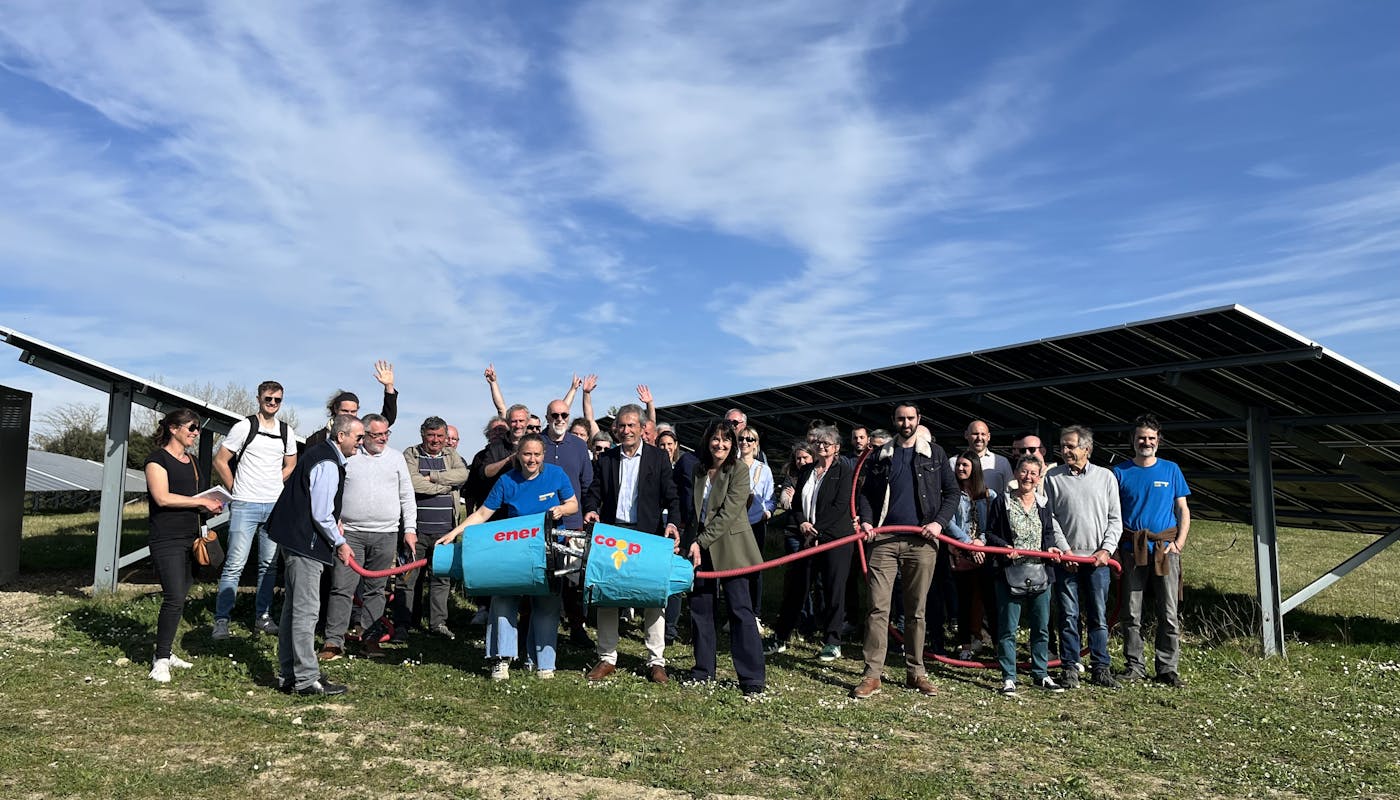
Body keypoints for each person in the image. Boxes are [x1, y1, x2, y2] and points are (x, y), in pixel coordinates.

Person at [438, 434, 578, 680]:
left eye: (536, 454)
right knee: (503, 600)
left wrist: (561, 509)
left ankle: (543, 663)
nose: (531, 459)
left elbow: (573, 504)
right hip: (513, 552)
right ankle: (501, 659)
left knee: (546, 606)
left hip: (548, 551)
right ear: (518, 455)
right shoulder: (506, 481)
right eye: (527, 454)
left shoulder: (556, 475)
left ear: (543, 455)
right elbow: (482, 514)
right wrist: (455, 532)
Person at [851, 404, 959, 699]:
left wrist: (938, 523)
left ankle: (916, 672)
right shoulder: (880, 454)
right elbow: (865, 494)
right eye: (901, 418)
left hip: (921, 542)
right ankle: (872, 675)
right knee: (877, 608)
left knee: (916, 611)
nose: (906, 422)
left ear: (919, 420)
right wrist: (868, 520)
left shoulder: (935, 454)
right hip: (883, 541)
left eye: (911, 418)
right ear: (894, 421)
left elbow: (952, 493)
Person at [582, 404, 682, 682]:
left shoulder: (659, 458)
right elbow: (594, 493)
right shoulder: (606, 459)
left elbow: (672, 497)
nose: (626, 431)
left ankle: (656, 661)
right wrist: (591, 508)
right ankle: (606, 657)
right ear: (615, 429)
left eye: (631, 426)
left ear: (642, 428)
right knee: (608, 596)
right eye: (621, 426)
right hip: (613, 535)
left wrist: (673, 522)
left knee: (653, 597)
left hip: (648, 535)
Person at [269, 414, 362, 696]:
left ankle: (290, 674)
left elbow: (321, 507)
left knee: (293, 609)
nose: (361, 442)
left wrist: (335, 522)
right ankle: (307, 679)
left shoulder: (320, 456)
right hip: (304, 544)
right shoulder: (328, 462)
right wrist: (340, 542)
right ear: (341, 436)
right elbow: (320, 514)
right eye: (358, 437)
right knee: (306, 611)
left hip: (294, 540)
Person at [321, 414, 416, 661]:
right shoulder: (350, 457)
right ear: (364, 435)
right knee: (342, 587)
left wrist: (410, 530)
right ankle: (334, 641)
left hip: (386, 533)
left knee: (376, 590)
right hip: (350, 533)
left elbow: (407, 495)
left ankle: (371, 639)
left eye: (386, 434)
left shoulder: (396, 458)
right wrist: (336, 521)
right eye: (376, 435)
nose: (382, 438)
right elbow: (334, 491)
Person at [211, 380, 296, 639]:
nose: (272, 403)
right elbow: (220, 460)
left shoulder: (285, 430)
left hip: (273, 505)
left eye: (277, 400)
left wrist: (274, 481)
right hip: (245, 504)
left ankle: (263, 617)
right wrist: (236, 488)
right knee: (235, 564)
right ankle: (221, 620)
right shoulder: (244, 426)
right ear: (258, 398)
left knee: (268, 566)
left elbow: (291, 463)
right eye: (268, 398)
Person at [685, 420, 765, 695]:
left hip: (732, 549)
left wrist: (700, 542)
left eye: (726, 440)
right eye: (716, 439)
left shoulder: (739, 470)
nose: (720, 444)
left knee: (740, 611)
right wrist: (689, 542)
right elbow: (694, 512)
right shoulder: (698, 471)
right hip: (700, 551)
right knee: (700, 609)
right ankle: (703, 670)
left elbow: (729, 513)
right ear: (708, 441)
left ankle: (752, 678)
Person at [144, 409, 225, 682]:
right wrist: (200, 502)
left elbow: (197, 496)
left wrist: (211, 507)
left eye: (197, 428)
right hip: (166, 538)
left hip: (192, 537)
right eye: (191, 427)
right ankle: (162, 660)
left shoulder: (192, 461)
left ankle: (164, 651)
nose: (195, 432)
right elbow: (162, 498)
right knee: (174, 596)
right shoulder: (157, 460)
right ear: (173, 428)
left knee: (180, 597)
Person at [1113, 414, 1191, 687]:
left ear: (1159, 440)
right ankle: (1135, 665)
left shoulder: (1171, 469)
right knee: (1131, 612)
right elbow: (1112, 512)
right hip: (1131, 549)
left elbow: (1183, 509)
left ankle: (1167, 668)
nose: (1146, 442)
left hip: (1165, 550)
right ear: (1132, 441)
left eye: (1150, 438)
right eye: (1141, 438)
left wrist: (1178, 544)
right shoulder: (1119, 472)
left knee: (1168, 612)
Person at [1044, 425, 1123, 689]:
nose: (1065, 451)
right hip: (1068, 561)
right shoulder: (1053, 477)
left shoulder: (1105, 477)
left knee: (1098, 615)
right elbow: (1050, 518)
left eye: (1070, 446)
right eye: (1063, 446)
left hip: (1098, 561)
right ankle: (1070, 666)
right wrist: (1064, 550)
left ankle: (1101, 667)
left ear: (1086, 449)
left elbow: (1115, 519)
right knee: (1068, 614)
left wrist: (1106, 550)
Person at [984, 455, 1070, 695]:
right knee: (1008, 627)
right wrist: (1004, 549)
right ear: (1016, 473)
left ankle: (1040, 673)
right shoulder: (1003, 502)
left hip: (1040, 572)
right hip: (1010, 572)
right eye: (1024, 472)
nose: (1028, 477)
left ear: (1039, 477)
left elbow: (1049, 533)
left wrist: (1051, 547)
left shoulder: (1043, 503)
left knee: (1041, 626)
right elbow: (989, 533)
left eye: (1033, 473)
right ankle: (1009, 677)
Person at [776, 425, 857, 663]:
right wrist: (802, 523)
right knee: (797, 586)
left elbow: (840, 506)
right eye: (818, 443)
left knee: (833, 589)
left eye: (826, 444)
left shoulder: (843, 471)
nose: (821, 447)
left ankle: (832, 641)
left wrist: (818, 529)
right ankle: (781, 635)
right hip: (808, 537)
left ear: (837, 448)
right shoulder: (808, 470)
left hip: (835, 540)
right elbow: (797, 503)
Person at [397, 416, 468, 640]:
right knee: (408, 578)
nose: (435, 440)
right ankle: (404, 623)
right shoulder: (411, 454)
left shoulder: (451, 455)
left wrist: (434, 477)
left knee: (441, 578)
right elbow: (412, 482)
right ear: (423, 435)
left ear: (446, 437)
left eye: (439, 436)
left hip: (446, 530)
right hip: (415, 530)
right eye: (431, 435)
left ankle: (438, 623)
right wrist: (443, 488)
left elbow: (463, 474)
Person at [541, 397, 595, 648]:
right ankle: (532, 624)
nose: (560, 420)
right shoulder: (537, 444)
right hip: (540, 523)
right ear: (547, 417)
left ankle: (576, 626)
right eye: (555, 415)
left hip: (572, 522)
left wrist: (585, 514)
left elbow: (587, 484)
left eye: (564, 415)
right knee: (540, 575)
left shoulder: (579, 446)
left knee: (572, 578)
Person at [946, 452, 995, 661]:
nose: (960, 469)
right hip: (960, 552)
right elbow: (948, 522)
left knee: (990, 601)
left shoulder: (987, 495)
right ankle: (965, 644)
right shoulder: (950, 495)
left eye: (965, 465)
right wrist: (967, 544)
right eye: (958, 465)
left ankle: (998, 644)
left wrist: (980, 544)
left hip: (983, 554)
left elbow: (991, 525)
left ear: (974, 468)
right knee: (964, 601)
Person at [303, 360, 398, 448]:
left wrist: (389, 387)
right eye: (345, 411)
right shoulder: (316, 439)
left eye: (353, 411)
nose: (349, 414)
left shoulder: (363, 432)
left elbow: (387, 418)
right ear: (335, 409)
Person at [737, 424, 775, 623]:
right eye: (741, 439)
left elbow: (770, 497)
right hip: (733, 525)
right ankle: (738, 609)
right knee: (735, 567)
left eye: (749, 439)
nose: (745, 442)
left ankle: (756, 613)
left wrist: (767, 512)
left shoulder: (764, 470)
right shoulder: (731, 465)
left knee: (755, 568)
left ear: (756, 444)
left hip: (755, 523)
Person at [954, 420, 1014, 496]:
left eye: (983, 434)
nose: (979, 438)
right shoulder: (954, 462)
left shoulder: (1001, 462)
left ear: (988, 437)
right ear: (966, 435)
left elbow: (1010, 491)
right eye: (975, 434)